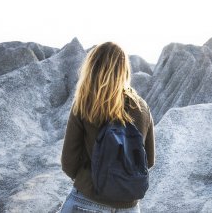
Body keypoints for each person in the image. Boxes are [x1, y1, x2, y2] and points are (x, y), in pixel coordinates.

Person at [59, 41, 155, 213]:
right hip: (129, 207)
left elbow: (68, 162)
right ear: (124, 70)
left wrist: (90, 179)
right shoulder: (142, 108)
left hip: (87, 200)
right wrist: (122, 182)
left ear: (92, 67)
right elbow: (149, 160)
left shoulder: (84, 104)